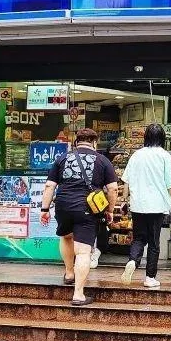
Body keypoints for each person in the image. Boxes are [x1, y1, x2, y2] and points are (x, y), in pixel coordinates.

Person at [40, 128, 117, 305]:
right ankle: (78, 294)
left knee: (66, 237)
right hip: (87, 207)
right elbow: (113, 188)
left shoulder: (62, 158)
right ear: (94, 143)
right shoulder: (102, 160)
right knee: (83, 251)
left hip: (63, 205)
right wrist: (110, 210)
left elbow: (49, 186)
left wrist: (44, 209)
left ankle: (69, 273)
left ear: (76, 142)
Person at [120, 123, 171, 289]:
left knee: (139, 238)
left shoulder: (136, 155)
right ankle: (150, 277)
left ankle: (133, 261)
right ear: (163, 138)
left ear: (146, 137)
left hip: (138, 205)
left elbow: (126, 181)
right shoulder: (164, 156)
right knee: (154, 242)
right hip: (157, 206)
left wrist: (125, 200)